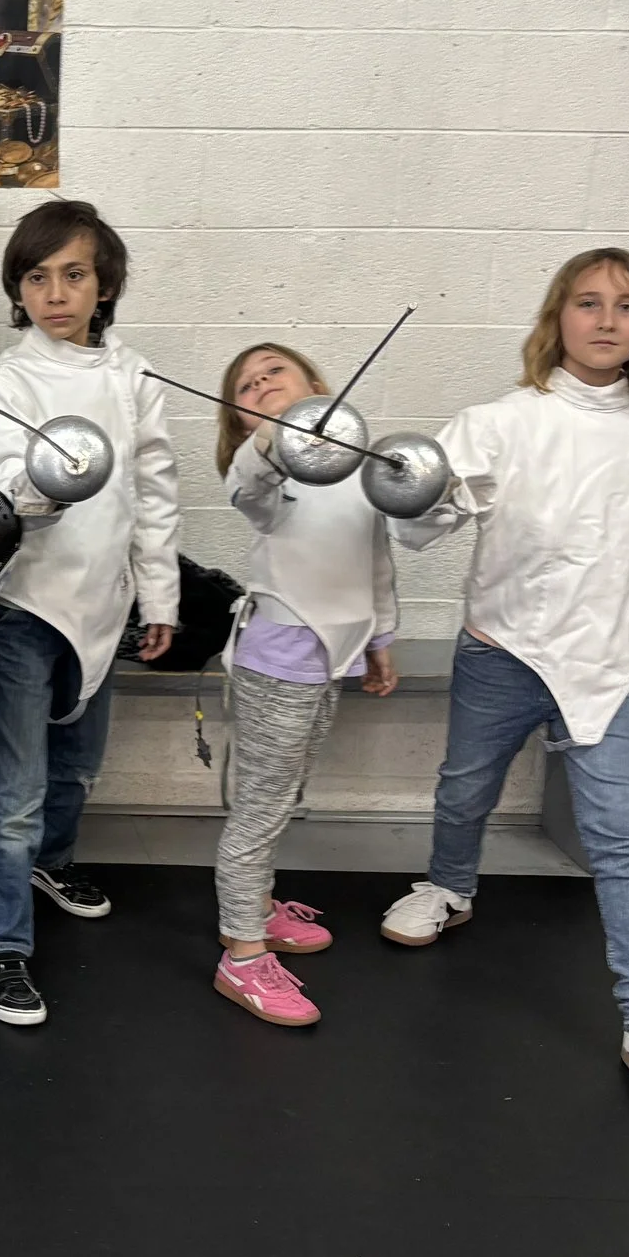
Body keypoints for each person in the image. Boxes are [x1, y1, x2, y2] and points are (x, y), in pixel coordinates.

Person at [385, 247, 629, 1126]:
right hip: (500, 648)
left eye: (628, 306)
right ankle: (450, 886)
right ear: (556, 317)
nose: (607, 321)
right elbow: (416, 523)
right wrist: (431, 493)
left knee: (621, 840)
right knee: (464, 788)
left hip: (603, 665)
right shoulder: (498, 420)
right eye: (588, 303)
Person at [0, 202, 180, 1026]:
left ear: (105, 283)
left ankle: (52, 863)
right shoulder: (8, 380)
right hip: (28, 607)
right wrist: (45, 486)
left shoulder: (135, 375)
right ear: (20, 290)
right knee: (16, 789)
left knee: (78, 763)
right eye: (37, 276)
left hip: (106, 603)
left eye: (74, 274)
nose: (56, 292)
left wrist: (158, 594)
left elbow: (155, 498)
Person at [206, 342, 400, 1029]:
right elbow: (247, 492)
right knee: (260, 805)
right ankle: (242, 951)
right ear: (239, 415)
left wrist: (379, 641)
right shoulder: (261, 472)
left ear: (317, 383)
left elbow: (375, 561)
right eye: (248, 388)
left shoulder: (357, 467)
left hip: (336, 653)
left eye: (274, 374)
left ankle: (256, 906)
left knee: (288, 791)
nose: (262, 386)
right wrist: (265, 441)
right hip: (279, 654)